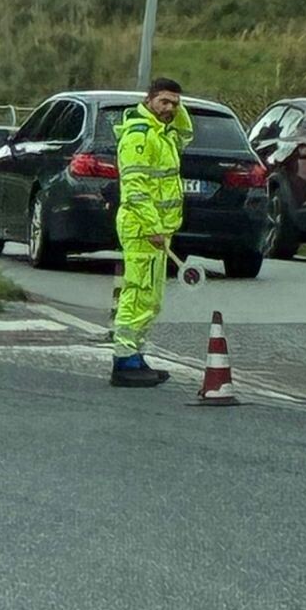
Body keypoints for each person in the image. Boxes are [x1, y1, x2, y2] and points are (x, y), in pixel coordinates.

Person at [111, 76, 193, 388]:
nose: (170, 108)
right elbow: (135, 188)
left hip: (157, 229)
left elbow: (187, 133)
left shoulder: (164, 133)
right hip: (142, 227)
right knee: (138, 292)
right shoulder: (140, 136)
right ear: (149, 100)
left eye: (175, 103)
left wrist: (176, 110)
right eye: (164, 102)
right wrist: (152, 227)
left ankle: (136, 355)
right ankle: (124, 360)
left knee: (151, 298)